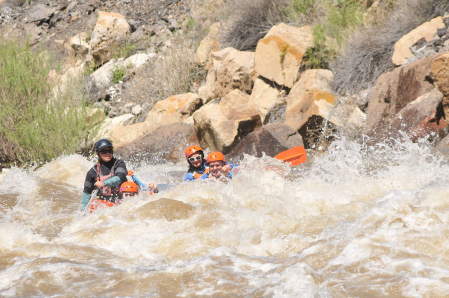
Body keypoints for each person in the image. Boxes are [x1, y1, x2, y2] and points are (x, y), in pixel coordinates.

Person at [81, 138, 128, 212]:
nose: (107, 153)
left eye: (109, 150)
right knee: (93, 204)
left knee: (130, 187)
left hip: (122, 200)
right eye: (103, 151)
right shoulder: (92, 172)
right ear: (98, 153)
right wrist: (83, 210)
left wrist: (104, 183)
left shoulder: (119, 163)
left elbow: (121, 177)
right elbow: (87, 193)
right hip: (105, 203)